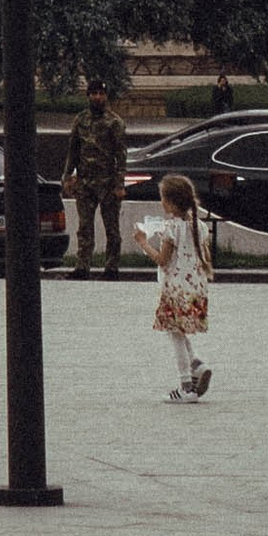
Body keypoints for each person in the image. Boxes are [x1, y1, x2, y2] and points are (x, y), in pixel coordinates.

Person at [136, 172, 212, 397]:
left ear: (169, 202)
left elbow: (162, 259)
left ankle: (186, 386)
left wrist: (143, 242)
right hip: (196, 289)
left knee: (174, 334)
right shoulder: (200, 226)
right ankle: (197, 365)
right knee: (178, 331)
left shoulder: (171, 229)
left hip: (174, 290)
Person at [64, 85, 131, 278]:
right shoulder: (81, 120)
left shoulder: (114, 122)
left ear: (106, 96)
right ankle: (83, 266)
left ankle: (111, 267)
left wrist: (120, 185)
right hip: (85, 182)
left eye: (101, 93)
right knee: (84, 227)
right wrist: (67, 176)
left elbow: (121, 155)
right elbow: (73, 150)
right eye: (94, 94)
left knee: (112, 228)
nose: (97, 97)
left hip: (108, 183)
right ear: (88, 96)